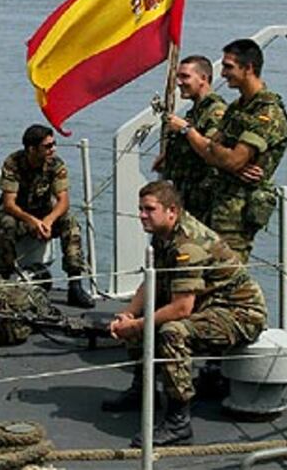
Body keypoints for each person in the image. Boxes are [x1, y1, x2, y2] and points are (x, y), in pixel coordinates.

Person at [102, 180, 267, 447]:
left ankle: (178, 422)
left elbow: (182, 308)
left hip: (240, 314)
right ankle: (142, 390)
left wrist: (137, 326)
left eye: (149, 209)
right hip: (209, 305)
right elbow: (151, 281)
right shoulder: (164, 233)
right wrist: (128, 314)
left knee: (171, 331)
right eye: (140, 209)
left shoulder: (187, 246)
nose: (142, 215)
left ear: (172, 211)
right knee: (144, 317)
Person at [166, 39, 287, 262]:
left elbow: (231, 159)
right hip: (215, 204)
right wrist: (222, 157)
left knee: (227, 278)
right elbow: (210, 150)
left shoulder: (266, 112)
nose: (223, 74)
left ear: (248, 69)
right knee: (203, 271)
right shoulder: (237, 108)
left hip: (237, 212)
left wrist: (194, 135)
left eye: (228, 67)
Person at [0, 124, 95, 309]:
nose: (53, 149)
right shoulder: (13, 163)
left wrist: (48, 220)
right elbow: (9, 203)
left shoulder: (55, 164)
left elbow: (63, 201)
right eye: (47, 146)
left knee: (70, 223)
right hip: (18, 216)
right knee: (6, 224)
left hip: (44, 214)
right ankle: (4, 279)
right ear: (32, 149)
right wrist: (31, 221)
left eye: (53, 144)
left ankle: (75, 284)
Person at [152, 55, 226, 220]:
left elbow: (211, 151)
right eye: (178, 76)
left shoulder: (216, 112)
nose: (179, 82)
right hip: (185, 197)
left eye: (185, 77)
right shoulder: (195, 113)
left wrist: (185, 129)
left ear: (203, 79)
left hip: (204, 204)